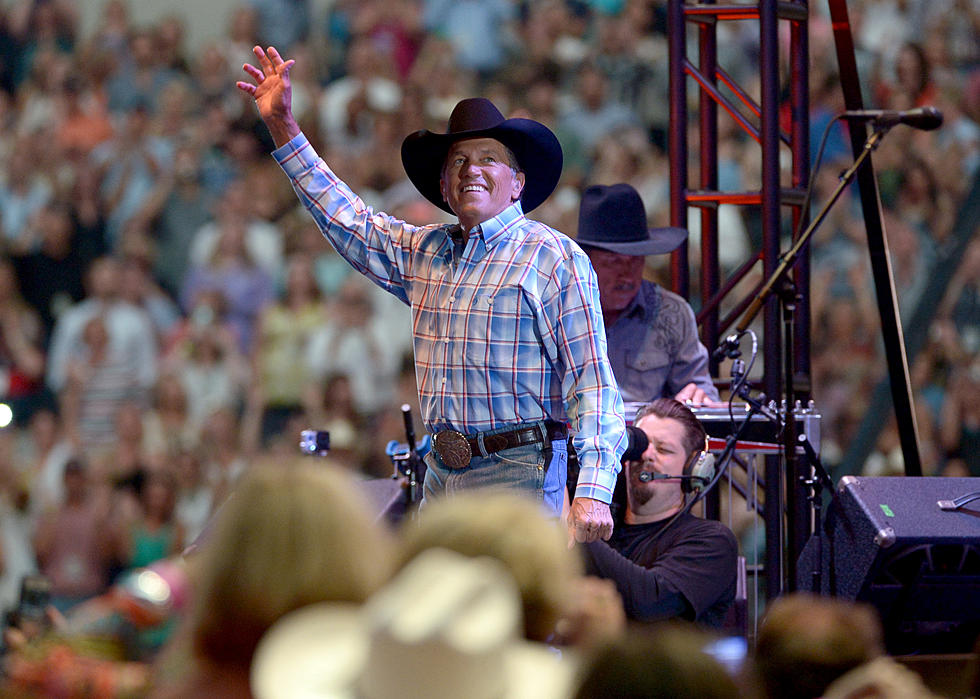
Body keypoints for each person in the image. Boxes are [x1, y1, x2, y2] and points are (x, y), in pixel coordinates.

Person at [237, 46, 627, 541]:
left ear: (517, 184)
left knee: (510, 616)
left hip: (521, 473)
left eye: (489, 158)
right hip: (440, 473)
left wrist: (594, 488)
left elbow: (592, 384)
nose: (471, 169)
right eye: (458, 161)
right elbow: (348, 220)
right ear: (444, 188)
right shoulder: (426, 252)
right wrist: (283, 129)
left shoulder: (554, 258)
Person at [579, 398, 737, 627]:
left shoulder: (712, 541)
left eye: (663, 449)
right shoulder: (603, 525)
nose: (646, 456)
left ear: (693, 468)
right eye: (640, 446)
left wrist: (573, 528)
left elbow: (651, 601)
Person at [576, 184, 719, 406]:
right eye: (613, 262)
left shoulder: (671, 313)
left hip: (649, 436)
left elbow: (701, 392)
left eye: (636, 260)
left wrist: (699, 397)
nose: (627, 274)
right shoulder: (558, 309)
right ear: (585, 261)